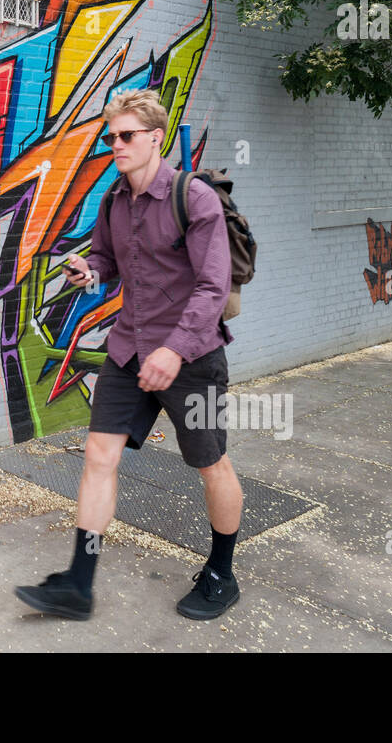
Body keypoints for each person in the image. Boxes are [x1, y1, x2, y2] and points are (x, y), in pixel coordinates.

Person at [15, 88, 243, 621]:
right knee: (99, 457)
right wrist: (91, 273)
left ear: (155, 139)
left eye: (125, 135)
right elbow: (106, 259)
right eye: (109, 136)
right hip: (128, 350)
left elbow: (213, 288)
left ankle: (221, 573)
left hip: (193, 358)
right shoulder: (114, 200)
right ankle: (79, 581)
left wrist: (173, 350)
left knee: (211, 463)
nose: (114, 144)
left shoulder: (195, 199)